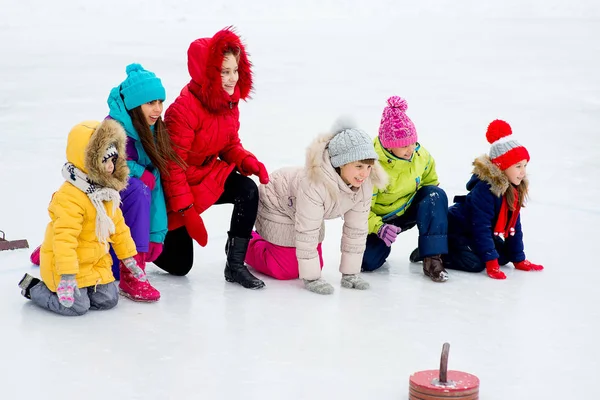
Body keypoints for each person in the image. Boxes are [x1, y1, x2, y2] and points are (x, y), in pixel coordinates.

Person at [156, 27, 268, 289]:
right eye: (224, 72)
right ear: (205, 73)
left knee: (247, 190)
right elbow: (172, 168)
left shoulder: (228, 102)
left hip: (206, 174)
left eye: (235, 70)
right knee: (180, 265)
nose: (232, 79)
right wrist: (186, 211)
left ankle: (235, 266)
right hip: (177, 187)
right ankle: (141, 244)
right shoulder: (182, 111)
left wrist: (245, 160)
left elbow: (228, 143)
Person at [18, 120, 146, 316]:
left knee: (109, 299)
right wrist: (67, 275)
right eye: (105, 161)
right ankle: (34, 287)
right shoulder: (71, 197)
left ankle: (85, 289)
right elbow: (64, 239)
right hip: (64, 266)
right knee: (77, 307)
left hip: (94, 264)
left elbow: (118, 228)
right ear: (89, 162)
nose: (111, 167)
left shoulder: (106, 193)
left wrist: (129, 258)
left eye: (113, 160)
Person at [244, 123, 387, 294]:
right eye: (359, 166)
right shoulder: (315, 184)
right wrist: (312, 278)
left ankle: (276, 245)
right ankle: (247, 243)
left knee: (314, 263)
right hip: (277, 202)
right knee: (285, 269)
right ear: (341, 163)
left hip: (303, 212)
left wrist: (350, 273)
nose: (365, 173)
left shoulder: (364, 183)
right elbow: (307, 231)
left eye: (369, 167)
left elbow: (356, 229)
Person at [105, 63, 184, 301]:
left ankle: (131, 263)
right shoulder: (113, 129)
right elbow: (106, 166)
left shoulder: (151, 129)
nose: (158, 109)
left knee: (181, 263)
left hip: (127, 223)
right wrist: (139, 172)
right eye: (151, 103)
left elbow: (157, 185)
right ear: (134, 104)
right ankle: (132, 276)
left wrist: (156, 235)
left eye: (160, 102)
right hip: (105, 216)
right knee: (138, 187)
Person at [361, 96, 449, 282]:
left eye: (412, 142)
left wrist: (432, 215)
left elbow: (430, 183)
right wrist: (379, 228)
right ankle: (375, 247)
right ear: (389, 146)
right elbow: (359, 209)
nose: (410, 149)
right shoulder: (372, 167)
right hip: (382, 220)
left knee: (435, 195)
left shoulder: (420, 155)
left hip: (409, 209)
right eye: (403, 145)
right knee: (367, 263)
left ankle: (432, 257)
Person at [445, 119, 544, 279]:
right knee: (476, 264)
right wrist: (491, 263)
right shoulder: (485, 190)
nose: (523, 172)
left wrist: (519, 259)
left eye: (525, 166)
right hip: (457, 229)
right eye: (518, 166)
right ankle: (441, 253)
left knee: (504, 257)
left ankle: (474, 251)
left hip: (475, 232)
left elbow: (514, 226)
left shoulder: (513, 188)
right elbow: (481, 227)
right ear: (502, 167)